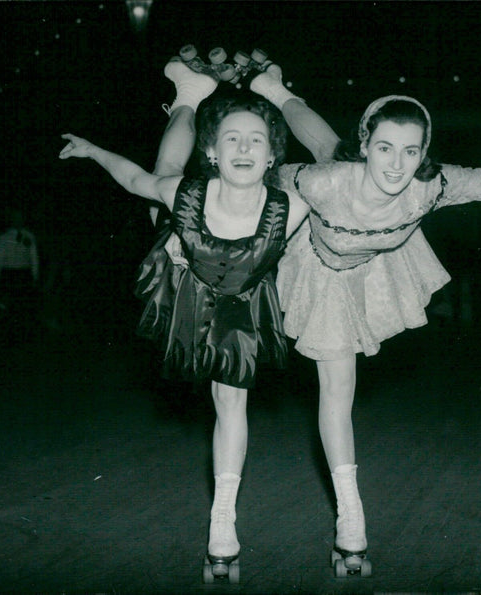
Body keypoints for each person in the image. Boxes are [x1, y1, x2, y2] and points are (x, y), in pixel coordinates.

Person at [149, 52, 481, 578]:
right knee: (263, 167)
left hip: (350, 278)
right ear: (368, 146)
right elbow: (248, 191)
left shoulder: (435, 185)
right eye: (383, 149)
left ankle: (350, 523)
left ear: (425, 152)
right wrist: (187, 236)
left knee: (338, 394)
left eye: (410, 151)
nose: (397, 166)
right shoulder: (321, 181)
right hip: (297, 254)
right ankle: (204, 94)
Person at [58, 88, 316, 583]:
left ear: (272, 155)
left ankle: (223, 519)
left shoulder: (293, 208)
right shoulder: (187, 193)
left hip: (240, 302)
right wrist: (93, 151)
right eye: (231, 139)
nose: (243, 148)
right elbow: (134, 178)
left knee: (230, 403)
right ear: (214, 152)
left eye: (255, 140)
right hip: (181, 265)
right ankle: (187, 101)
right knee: (161, 174)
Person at [0, 207, 40, 339]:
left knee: (20, 306)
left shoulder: (28, 236)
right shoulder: (5, 237)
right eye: (15, 217)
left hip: (20, 274)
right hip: (12, 274)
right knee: (12, 305)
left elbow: (34, 257)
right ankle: (13, 334)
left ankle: (19, 333)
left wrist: (35, 276)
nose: (17, 220)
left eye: (19, 217)